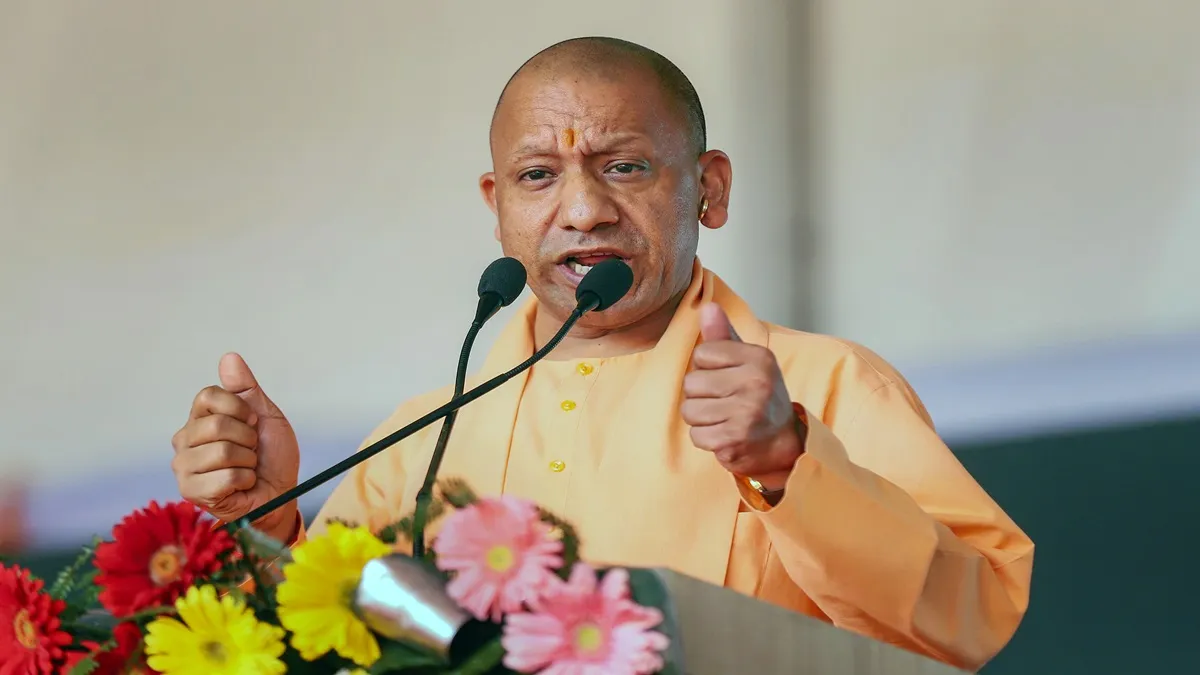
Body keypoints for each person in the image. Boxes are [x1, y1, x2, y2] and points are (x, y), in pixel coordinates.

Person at [170, 36, 1033, 671]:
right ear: (497, 206)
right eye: (538, 176)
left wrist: (787, 463)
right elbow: (318, 643)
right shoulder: (422, 438)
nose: (583, 211)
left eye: (624, 167)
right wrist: (266, 520)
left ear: (710, 189)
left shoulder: (827, 384)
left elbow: (974, 618)